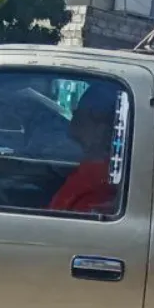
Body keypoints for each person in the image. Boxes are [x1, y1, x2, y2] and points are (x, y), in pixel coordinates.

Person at [49, 86, 120, 214]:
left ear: (102, 131)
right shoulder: (91, 173)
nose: (71, 125)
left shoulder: (98, 190)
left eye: (79, 117)